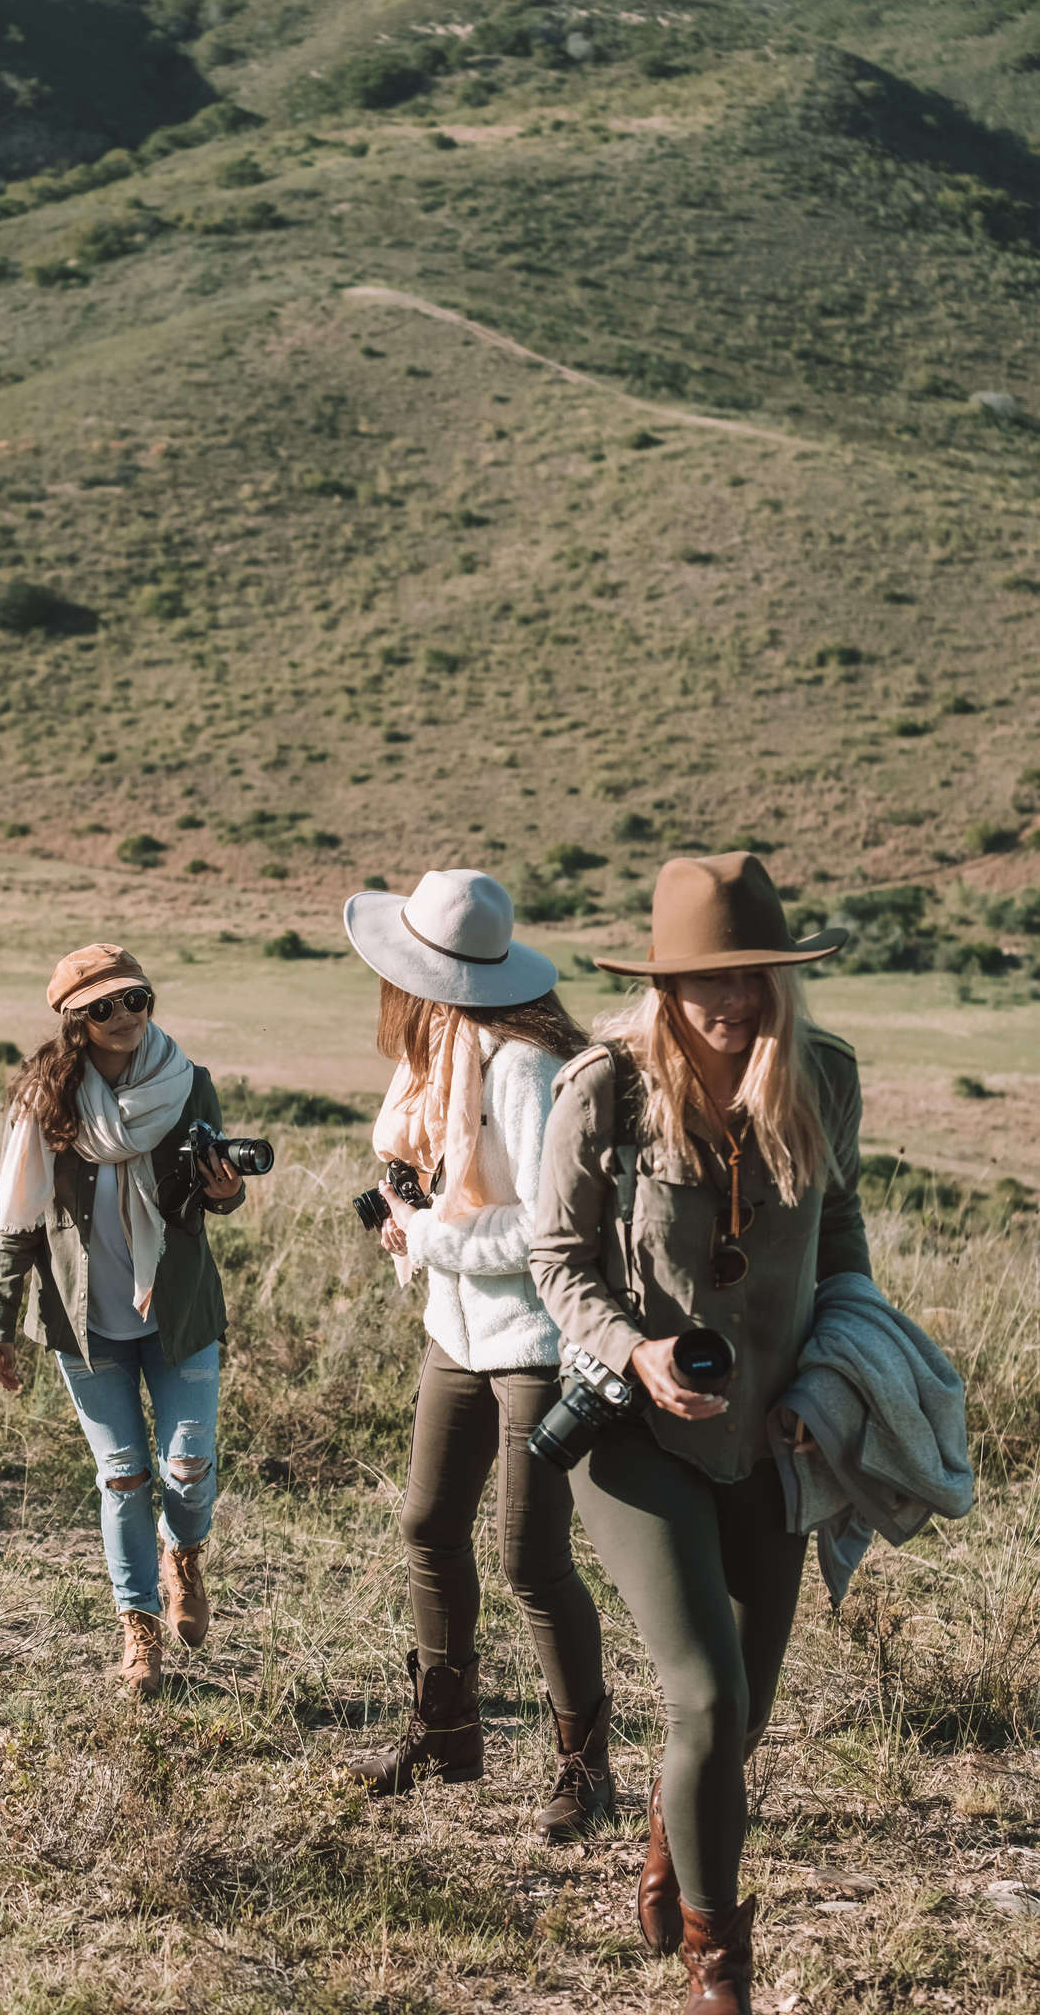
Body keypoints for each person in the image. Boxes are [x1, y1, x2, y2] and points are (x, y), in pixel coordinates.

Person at [531, 853, 871, 2015]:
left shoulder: (822, 1078)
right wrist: (635, 1349)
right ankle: (716, 1968)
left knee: (744, 1716)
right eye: (704, 979)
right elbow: (558, 1259)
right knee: (709, 1701)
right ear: (665, 985)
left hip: (773, 1435)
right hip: (635, 1433)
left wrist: (823, 1380)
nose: (731, 1000)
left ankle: (676, 1850)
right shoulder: (606, 1087)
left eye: (753, 976)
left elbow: (843, 1246)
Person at [341, 868, 614, 1839]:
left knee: (532, 1558)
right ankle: (447, 1729)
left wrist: (431, 1238)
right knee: (427, 1522)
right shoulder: (445, 1053)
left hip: (538, 1339)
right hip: (458, 1330)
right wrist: (415, 1220)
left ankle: (585, 1767)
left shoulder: (518, 1067)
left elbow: (553, 1230)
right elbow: (452, 1186)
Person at [0, 942, 245, 1697]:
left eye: (137, 999)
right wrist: (0, 1322)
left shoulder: (187, 1084)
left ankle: (183, 1554)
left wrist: (224, 1190)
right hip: (86, 1320)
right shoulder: (46, 1099)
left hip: (179, 1311)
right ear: (74, 1022)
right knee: (124, 1477)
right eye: (103, 1007)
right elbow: (18, 1219)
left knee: (188, 1466)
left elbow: (215, 1199)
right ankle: (139, 1628)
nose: (124, 1016)